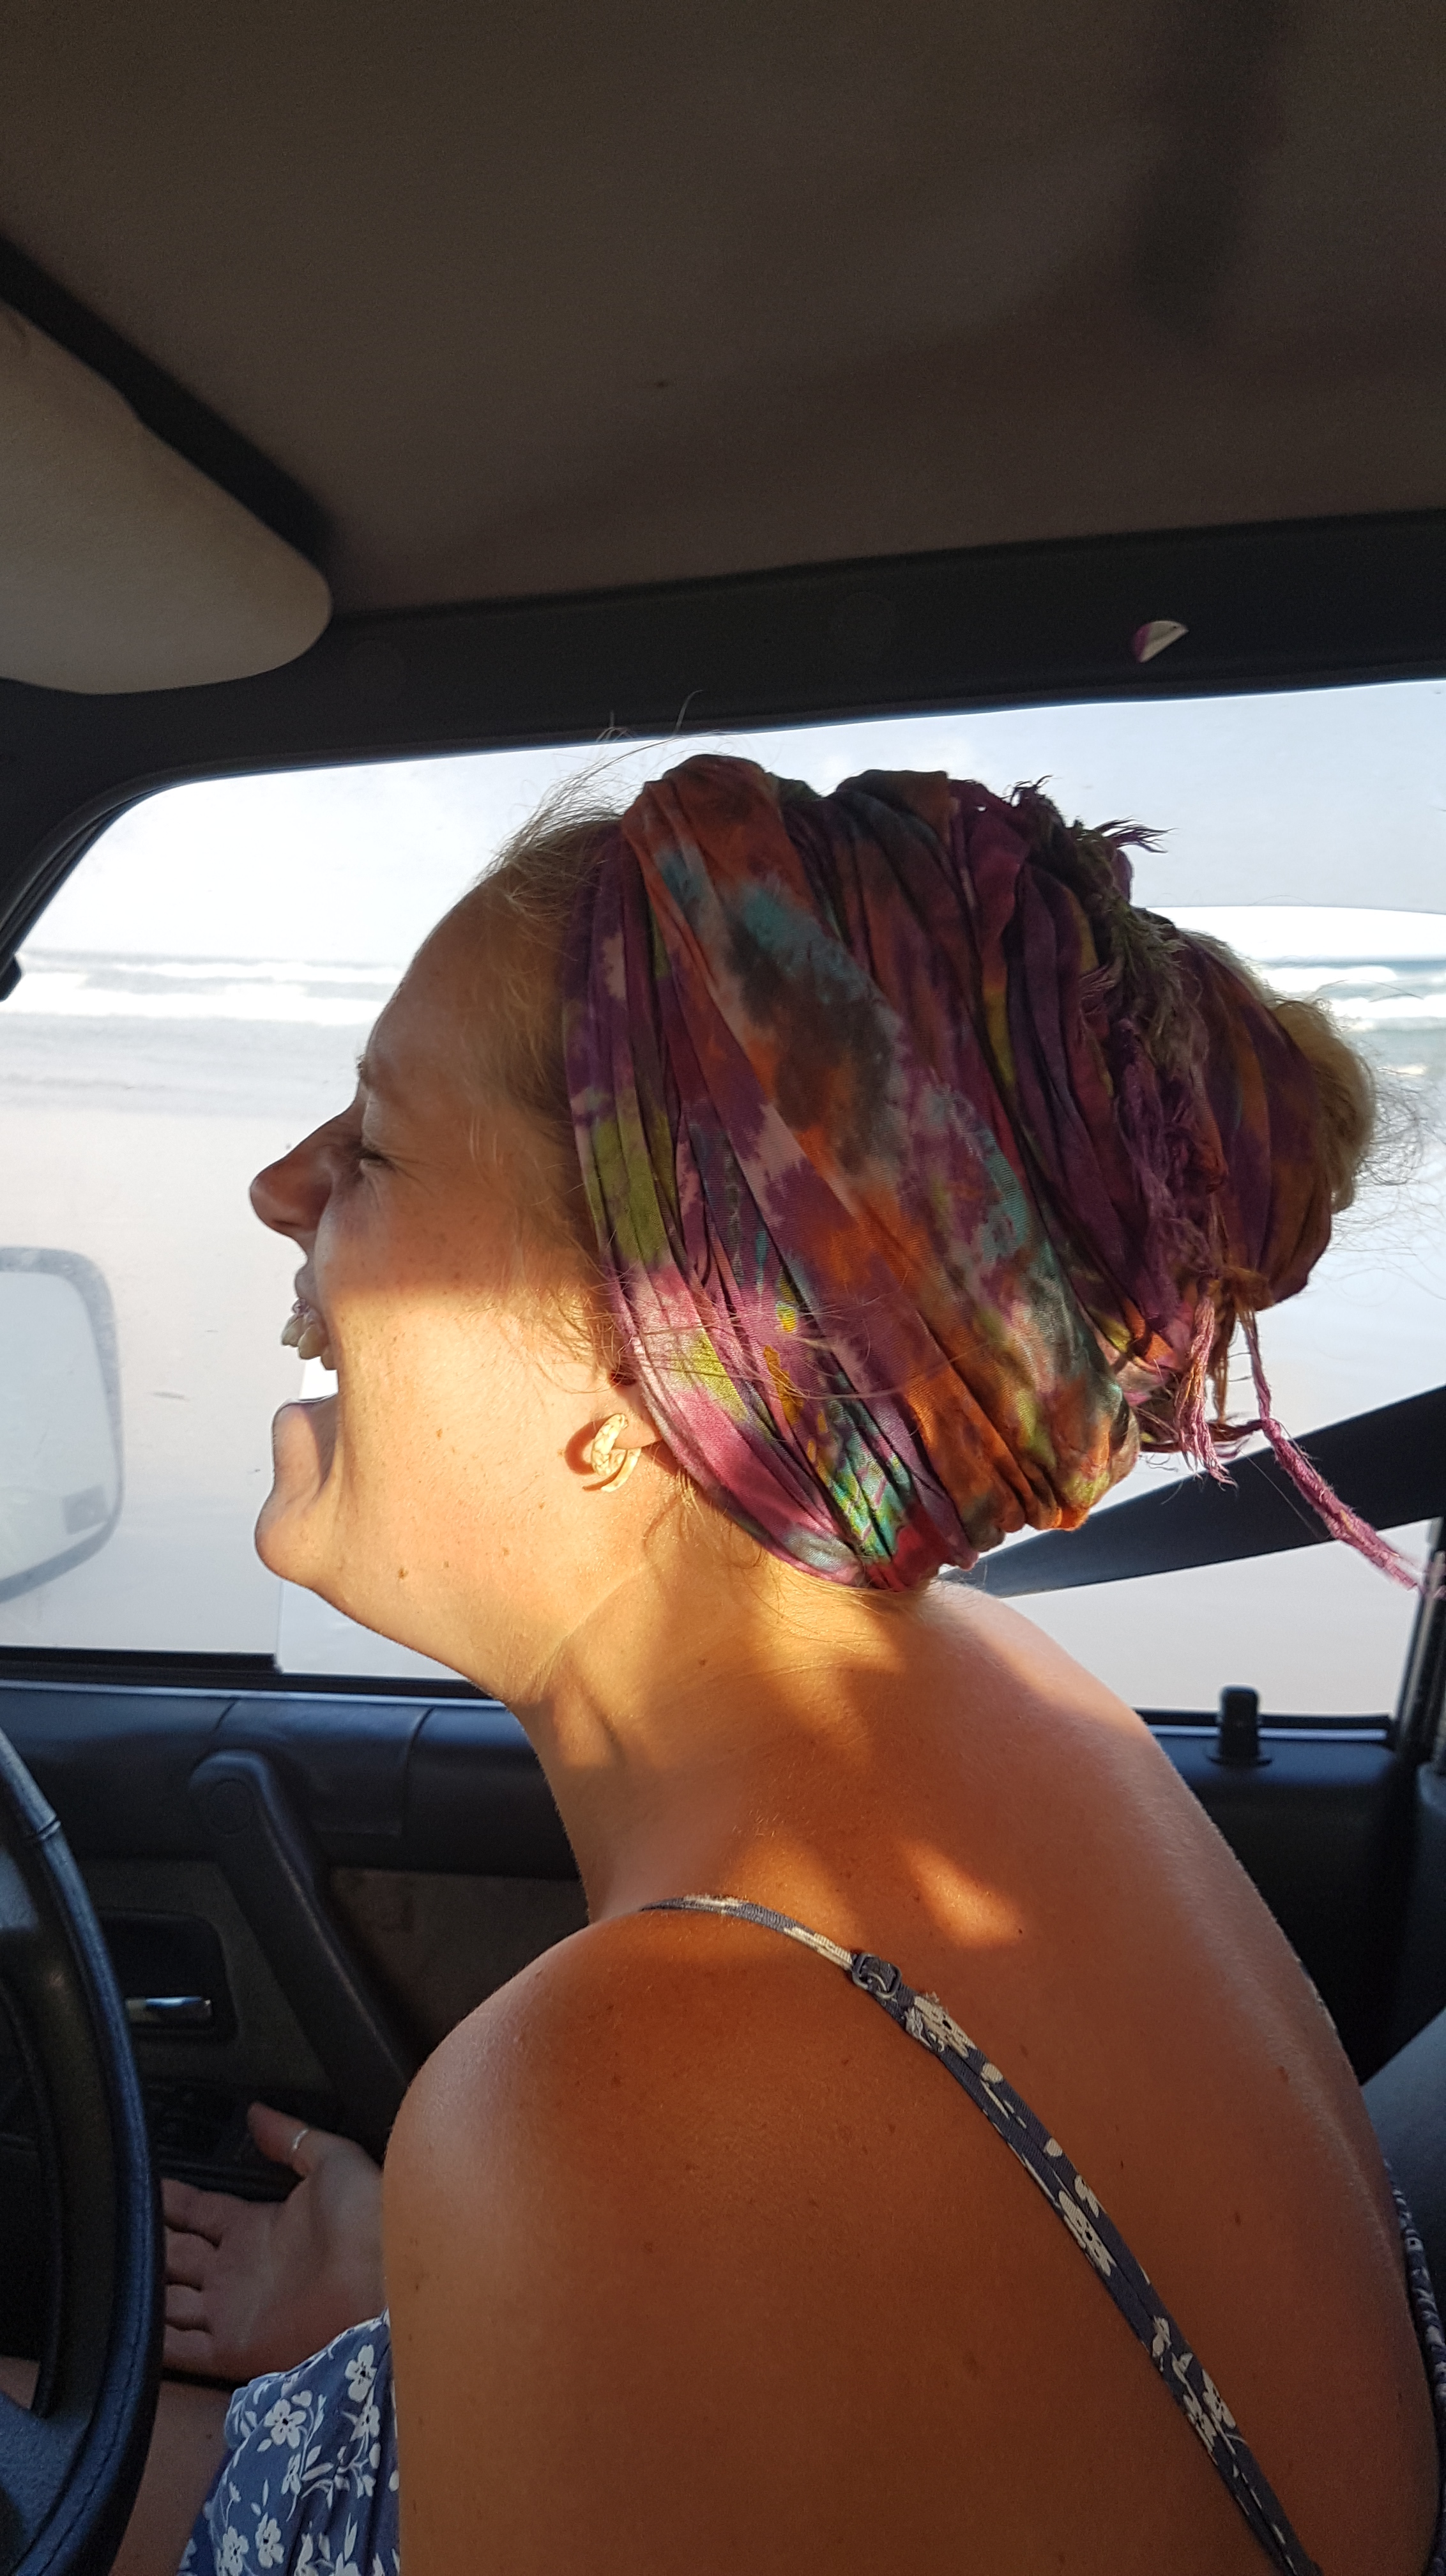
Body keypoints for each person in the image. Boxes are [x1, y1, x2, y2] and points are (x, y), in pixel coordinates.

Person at [105, 757, 1443, 2573]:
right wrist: (424, 2312)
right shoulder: (1019, 1705)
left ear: (636, 1363)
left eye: (379, 1147)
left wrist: (518, 2239)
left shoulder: (621, 2108)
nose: (282, 1187)